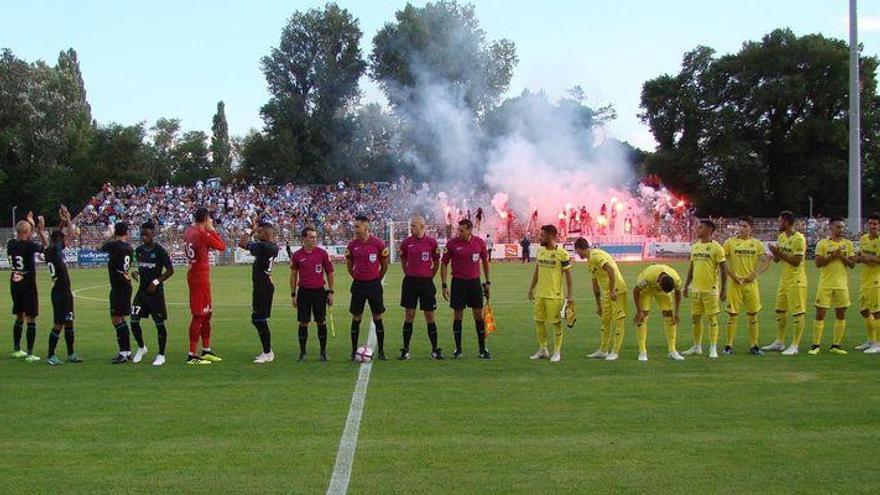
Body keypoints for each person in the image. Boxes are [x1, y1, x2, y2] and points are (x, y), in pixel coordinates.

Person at [440, 219, 491, 359]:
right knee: (458, 316)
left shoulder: (479, 243)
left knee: (478, 316)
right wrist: (444, 284)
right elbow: (444, 264)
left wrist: (487, 282)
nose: (459, 233)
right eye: (458, 230)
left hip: (475, 283)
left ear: (470, 230)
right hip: (458, 283)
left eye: (462, 230)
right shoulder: (452, 244)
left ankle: (482, 349)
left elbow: (486, 262)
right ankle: (458, 349)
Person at [184, 207, 227, 365]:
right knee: (199, 314)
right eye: (209, 219)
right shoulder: (202, 234)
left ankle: (206, 350)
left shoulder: (189, 231)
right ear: (206, 219)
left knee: (207, 313)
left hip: (197, 276)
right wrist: (212, 230)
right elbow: (222, 247)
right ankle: (192, 354)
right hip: (199, 278)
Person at [722, 216, 770, 356]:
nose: (741, 228)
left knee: (753, 315)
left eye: (745, 226)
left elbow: (766, 262)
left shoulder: (756, 244)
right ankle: (728, 346)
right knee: (732, 315)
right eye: (740, 226)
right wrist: (733, 276)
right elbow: (723, 262)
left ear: (751, 228)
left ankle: (754, 346)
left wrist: (755, 275)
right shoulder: (730, 243)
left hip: (750, 284)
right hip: (735, 284)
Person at [398, 216, 443, 360]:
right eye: (411, 226)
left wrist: (430, 275)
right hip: (410, 282)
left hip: (426, 283)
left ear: (422, 226)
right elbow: (403, 258)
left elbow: (436, 262)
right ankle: (405, 349)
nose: (411, 228)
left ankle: (435, 349)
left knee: (429, 315)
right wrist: (408, 272)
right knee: (409, 315)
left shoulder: (431, 242)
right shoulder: (406, 243)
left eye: (413, 226)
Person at [575, 238, 627, 361]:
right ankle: (603, 350)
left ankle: (615, 351)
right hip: (606, 293)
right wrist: (598, 305)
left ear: (579, 249)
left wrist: (613, 289)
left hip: (617, 290)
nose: (577, 254)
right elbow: (595, 285)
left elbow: (611, 269)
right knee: (605, 320)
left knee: (618, 320)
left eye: (576, 251)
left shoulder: (596, 255)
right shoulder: (589, 262)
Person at [764, 211, 808, 355]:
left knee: (797, 312)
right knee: (779, 310)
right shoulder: (781, 237)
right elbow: (778, 260)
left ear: (787, 222)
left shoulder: (799, 239)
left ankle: (794, 345)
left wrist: (779, 252)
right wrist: (774, 252)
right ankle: (780, 342)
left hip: (796, 280)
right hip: (784, 279)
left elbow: (796, 261)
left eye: (780, 221)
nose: (778, 224)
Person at [346, 216, 390, 360]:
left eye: (357, 227)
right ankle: (353, 351)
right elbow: (349, 264)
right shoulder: (352, 246)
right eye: (355, 227)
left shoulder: (378, 244)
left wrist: (377, 278)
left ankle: (382, 351)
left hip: (373, 285)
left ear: (366, 227)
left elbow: (384, 265)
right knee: (356, 317)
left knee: (377, 316)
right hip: (358, 285)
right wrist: (357, 276)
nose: (355, 230)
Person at [682, 219, 728, 358]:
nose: (697, 230)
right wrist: (686, 285)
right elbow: (692, 267)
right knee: (695, 319)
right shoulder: (695, 246)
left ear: (709, 230)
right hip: (696, 289)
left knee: (712, 319)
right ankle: (697, 346)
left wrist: (724, 288)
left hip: (710, 289)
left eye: (700, 227)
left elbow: (724, 269)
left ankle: (713, 348)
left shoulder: (717, 248)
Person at [527, 225, 573, 362]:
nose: (540, 238)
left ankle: (557, 352)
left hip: (555, 295)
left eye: (542, 236)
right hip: (540, 295)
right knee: (539, 322)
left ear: (552, 236)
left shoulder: (562, 253)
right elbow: (537, 272)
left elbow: (569, 276)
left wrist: (570, 295)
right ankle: (543, 349)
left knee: (556, 323)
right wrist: (531, 289)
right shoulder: (540, 251)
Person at [809, 217, 855, 355]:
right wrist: (833, 256)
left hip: (841, 284)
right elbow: (818, 263)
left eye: (842, 227)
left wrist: (841, 256)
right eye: (837, 227)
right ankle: (815, 345)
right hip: (826, 284)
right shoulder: (822, 244)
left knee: (840, 314)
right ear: (830, 227)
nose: (840, 230)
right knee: (820, 314)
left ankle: (836, 345)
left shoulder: (848, 244)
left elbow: (852, 264)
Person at [131, 221, 174, 366]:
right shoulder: (139, 250)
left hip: (155, 294)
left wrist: (156, 282)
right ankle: (141, 347)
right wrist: (135, 272)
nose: (144, 238)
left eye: (147, 235)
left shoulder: (160, 251)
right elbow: (139, 267)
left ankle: (161, 355)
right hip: (141, 292)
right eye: (142, 235)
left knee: (159, 324)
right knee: (133, 320)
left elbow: (170, 270)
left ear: (153, 234)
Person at [8, 211, 47, 362]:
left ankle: (17, 349)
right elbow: (45, 246)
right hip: (28, 285)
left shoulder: (11, 244)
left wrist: (30, 224)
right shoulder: (30, 246)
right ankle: (30, 353)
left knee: (19, 315)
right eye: (29, 231)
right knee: (31, 318)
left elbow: (24, 236)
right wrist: (40, 230)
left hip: (14, 283)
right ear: (26, 232)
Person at [290, 226, 335, 361]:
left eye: (315, 237)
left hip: (319, 292)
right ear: (304, 238)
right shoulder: (297, 255)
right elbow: (293, 275)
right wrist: (293, 294)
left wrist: (331, 291)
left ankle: (323, 352)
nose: (314, 239)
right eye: (311, 237)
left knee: (321, 322)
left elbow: (330, 272)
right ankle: (303, 353)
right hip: (303, 292)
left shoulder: (322, 253)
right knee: (303, 323)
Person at [238, 218, 279, 363]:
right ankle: (267, 351)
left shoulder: (264, 247)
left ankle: (268, 352)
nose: (257, 234)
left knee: (259, 319)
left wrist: (250, 229)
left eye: (260, 232)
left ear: (266, 232)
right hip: (263, 285)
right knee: (257, 319)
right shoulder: (271, 246)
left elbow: (242, 243)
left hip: (263, 287)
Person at [44, 206, 81, 365]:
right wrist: (68, 218)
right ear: (58, 241)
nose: (64, 241)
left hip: (65, 292)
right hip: (60, 293)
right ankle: (51, 355)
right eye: (62, 239)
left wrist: (63, 221)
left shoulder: (50, 250)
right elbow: (70, 236)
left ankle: (71, 353)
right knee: (58, 324)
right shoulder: (54, 251)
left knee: (69, 322)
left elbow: (58, 236)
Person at [100, 222, 137, 364]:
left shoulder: (114, 245)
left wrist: (111, 236)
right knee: (121, 318)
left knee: (116, 318)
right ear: (126, 233)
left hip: (119, 286)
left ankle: (124, 352)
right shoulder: (129, 247)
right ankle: (126, 352)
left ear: (116, 233)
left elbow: (102, 246)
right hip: (125, 284)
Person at [632, 264, 685, 361]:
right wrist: (638, 311)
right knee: (643, 317)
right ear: (659, 282)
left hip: (661, 293)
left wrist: (677, 312)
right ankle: (642, 352)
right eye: (661, 288)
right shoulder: (648, 276)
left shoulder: (676, 278)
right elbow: (635, 291)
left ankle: (672, 351)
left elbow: (678, 293)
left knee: (670, 316)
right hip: (646, 291)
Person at [855, 213, 880, 354]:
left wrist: (868, 257)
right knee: (864, 310)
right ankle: (871, 340)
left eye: (875, 224)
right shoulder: (864, 238)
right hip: (865, 279)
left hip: (876, 280)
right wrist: (857, 258)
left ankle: (878, 343)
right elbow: (860, 255)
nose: (872, 226)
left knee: (877, 312)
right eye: (870, 223)